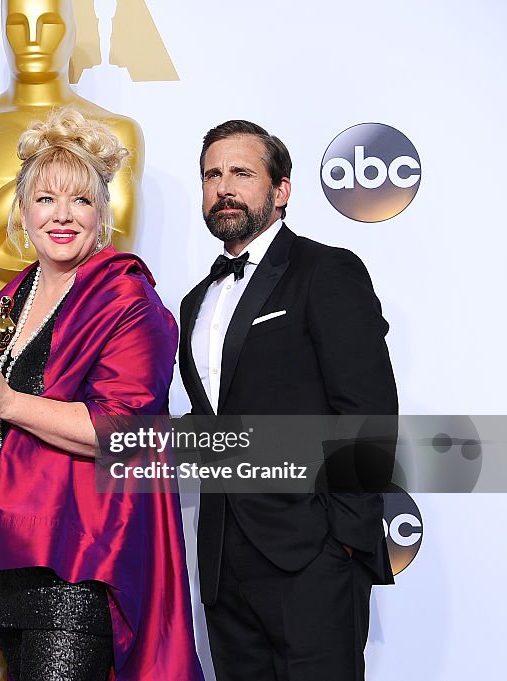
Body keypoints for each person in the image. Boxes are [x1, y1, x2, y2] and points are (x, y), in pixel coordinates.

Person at [0, 107, 203, 681]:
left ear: (103, 214)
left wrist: (8, 403)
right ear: (22, 210)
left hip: (81, 558)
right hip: (13, 555)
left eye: (81, 201)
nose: (62, 216)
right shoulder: (10, 299)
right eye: (45, 199)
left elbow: (122, 432)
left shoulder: (127, 300)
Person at [178, 120, 398, 681]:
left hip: (312, 554)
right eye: (212, 174)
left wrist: (343, 537)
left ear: (281, 191)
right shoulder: (194, 302)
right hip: (225, 561)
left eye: (242, 173)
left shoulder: (326, 271)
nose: (224, 187)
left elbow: (367, 409)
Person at [0, 0, 143, 307]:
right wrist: (17, 197)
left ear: (72, 32)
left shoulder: (115, 131)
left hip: (85, 321)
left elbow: (119, 243)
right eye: (17, 25)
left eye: (49, 24)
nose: (32, 39)